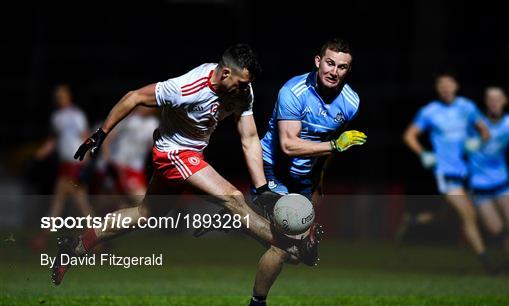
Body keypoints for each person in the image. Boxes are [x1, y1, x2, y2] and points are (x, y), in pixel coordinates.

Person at [51, 44, 322, 286]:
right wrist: (102, 133)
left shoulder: (242, 91)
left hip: (189, 156)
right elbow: (133, 97)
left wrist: (262, 188)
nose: (244, 89)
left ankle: (77, 246)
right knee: (234, 199)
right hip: (173, 155)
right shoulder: (186, 88)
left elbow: (250, 138)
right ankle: (293, 247)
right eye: (241, 83)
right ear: (226, 73)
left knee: (146, 214)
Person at [246, 38, 367, 306]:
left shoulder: (351, 102)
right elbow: (289, 145)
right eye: (329, 63)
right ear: (318, 61)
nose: (334, 71)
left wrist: (318, 184)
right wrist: (335, 145)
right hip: (272, 170)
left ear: (348, 70)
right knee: (285, 242)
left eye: (342, 67)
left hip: (302, 178)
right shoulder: (294, 91)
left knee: (297, 256)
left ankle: (247, 224)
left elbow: (328, 149)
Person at [402, 73, 495, 273]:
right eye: (441, 85)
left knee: (447, 216)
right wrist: (424, 154)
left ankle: (413, 221)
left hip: (466, 172)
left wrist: (478, 142)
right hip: (445, 172)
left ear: (456, 86)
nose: (445, 88)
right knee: (469, 215)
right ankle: (486, 261)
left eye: (448, 84)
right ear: (438, 89)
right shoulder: (430, 111)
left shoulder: (467, 107)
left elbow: (485, 131)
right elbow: (410, 136)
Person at [468, 87, 509, 272]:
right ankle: (503, 254)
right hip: (480, 185)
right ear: (486, 102)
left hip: (502, 182)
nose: (494, 102)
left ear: (505, 100)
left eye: (497, 98)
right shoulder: (476, 123)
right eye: (490, 98)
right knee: (496, 230)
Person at [32, 84, 94, 251]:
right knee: (75, 203)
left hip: (76, 165)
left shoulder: (77, 115)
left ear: (68, 96)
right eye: (57, 96)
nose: (59, 98)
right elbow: (54, 140)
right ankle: (95, 238)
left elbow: (85, 137)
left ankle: (43, 237)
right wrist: (41, 153)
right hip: (65, 165)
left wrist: (86, 161)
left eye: (62, 95)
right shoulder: (56, 117)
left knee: (72, 203)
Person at [101, 106, 159, 204]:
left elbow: (153, 146)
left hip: (136, 167)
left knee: (126, 203)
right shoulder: (129, 119)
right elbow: (108, 138)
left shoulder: (153, 123)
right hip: (120, 165)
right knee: (142, 201)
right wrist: (107, 158)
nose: (144, 108)